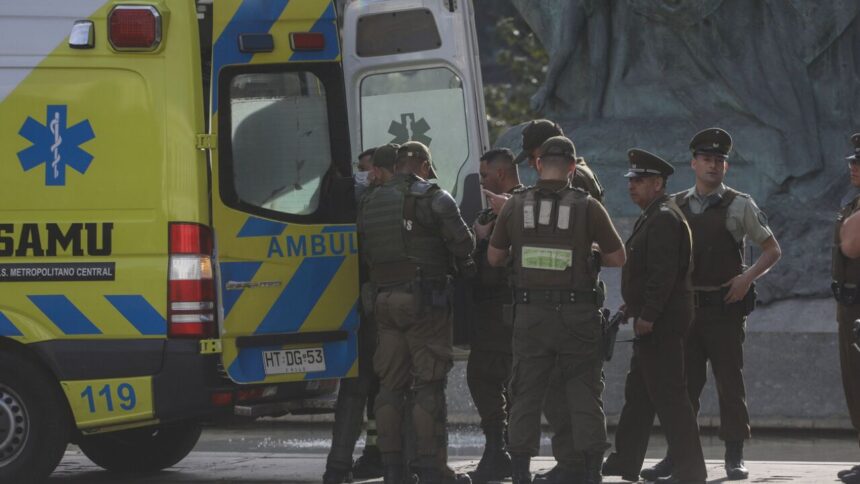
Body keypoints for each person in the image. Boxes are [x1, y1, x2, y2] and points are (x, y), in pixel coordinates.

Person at [640, 128, 782, 481]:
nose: (713, 165)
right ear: (693, 163)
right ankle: (678, 455)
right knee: (682, 387)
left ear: (726, 167)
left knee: (729, 384)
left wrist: (746, 278)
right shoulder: (675, 205)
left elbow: (772, 249)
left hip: (724, 310)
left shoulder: (739, 204)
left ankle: (734, 456)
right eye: (706, 159)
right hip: (685, 311)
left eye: (719, 160)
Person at [487, 136, 626, 484]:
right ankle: (591, 470)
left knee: (526, 393)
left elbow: (494, 257)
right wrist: (590, 254)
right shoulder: (588, 206)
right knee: (584, 390)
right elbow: (617, 257)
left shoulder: (515, 206)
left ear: (536, 164)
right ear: (572, 168)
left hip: (531, 317)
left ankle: (520, 470)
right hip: (578, 317)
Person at [357, 142, 475, 484]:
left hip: (383, 302)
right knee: (429, 384)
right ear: (423, 165)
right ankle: (432, 469)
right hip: (423, 304)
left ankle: (393, 470)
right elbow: (464, 245)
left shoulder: (369, 201)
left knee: (390, 387)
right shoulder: (433, 197)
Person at [602, 149, 707, 484]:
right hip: (653, 318)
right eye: (631, 179)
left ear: (658, 183)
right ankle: (626, 460)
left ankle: (690, 470)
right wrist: (632, 307)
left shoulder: (663, 217)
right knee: (640, 393)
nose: (632, 185)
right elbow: (649, 273)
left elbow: (663, 275)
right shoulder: (654, 214)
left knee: (671, 397)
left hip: (661, 322)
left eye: (640, 180)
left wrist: (647, 314)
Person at [323, 147, 384, 484]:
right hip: (376, 310)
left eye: (366, 170)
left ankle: (348, 464)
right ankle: (393, 465)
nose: (362, 177)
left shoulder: (362, 203)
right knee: (375, 389)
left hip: (366, 309)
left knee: (364, 391)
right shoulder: (373, 202)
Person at [466, 148, 523, 483]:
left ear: (501, 174)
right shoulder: (488, 215)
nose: (482, 182)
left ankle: (510, 452)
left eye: (485, 175)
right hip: (489, 316)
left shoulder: (526, 206)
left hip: (515, 311)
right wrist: (479, 240)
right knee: (482, 378)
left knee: (516, 384)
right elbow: (477, 269)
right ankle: (496, 447)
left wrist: (487, 242)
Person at [832, 133, 860, 484]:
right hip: (849, 305)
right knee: (855, 383)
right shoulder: (854, 203)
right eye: (852, 162)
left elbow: (851, 245)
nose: (852, 168)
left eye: (859, 162)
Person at [514, 119, 605, 201]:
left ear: (549, 148)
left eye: (531, 156)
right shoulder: (577, 172)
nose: (530, 163)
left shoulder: (571, 177)